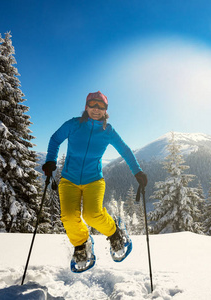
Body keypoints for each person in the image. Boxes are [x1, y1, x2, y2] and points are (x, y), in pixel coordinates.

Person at [42, 91, 147, 267]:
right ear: (86, 106)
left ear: (106, 110)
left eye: (101, 106)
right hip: (69, 180)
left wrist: (138, 172)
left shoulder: (108, 131)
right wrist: (50, 160)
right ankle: (82, 244)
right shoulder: (73, 124)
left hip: (94, 180)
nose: (96, 109)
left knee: (92, 215)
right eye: (93, 105)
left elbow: (125, 151)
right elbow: (55, 140)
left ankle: (116, 233)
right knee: (68, 216)